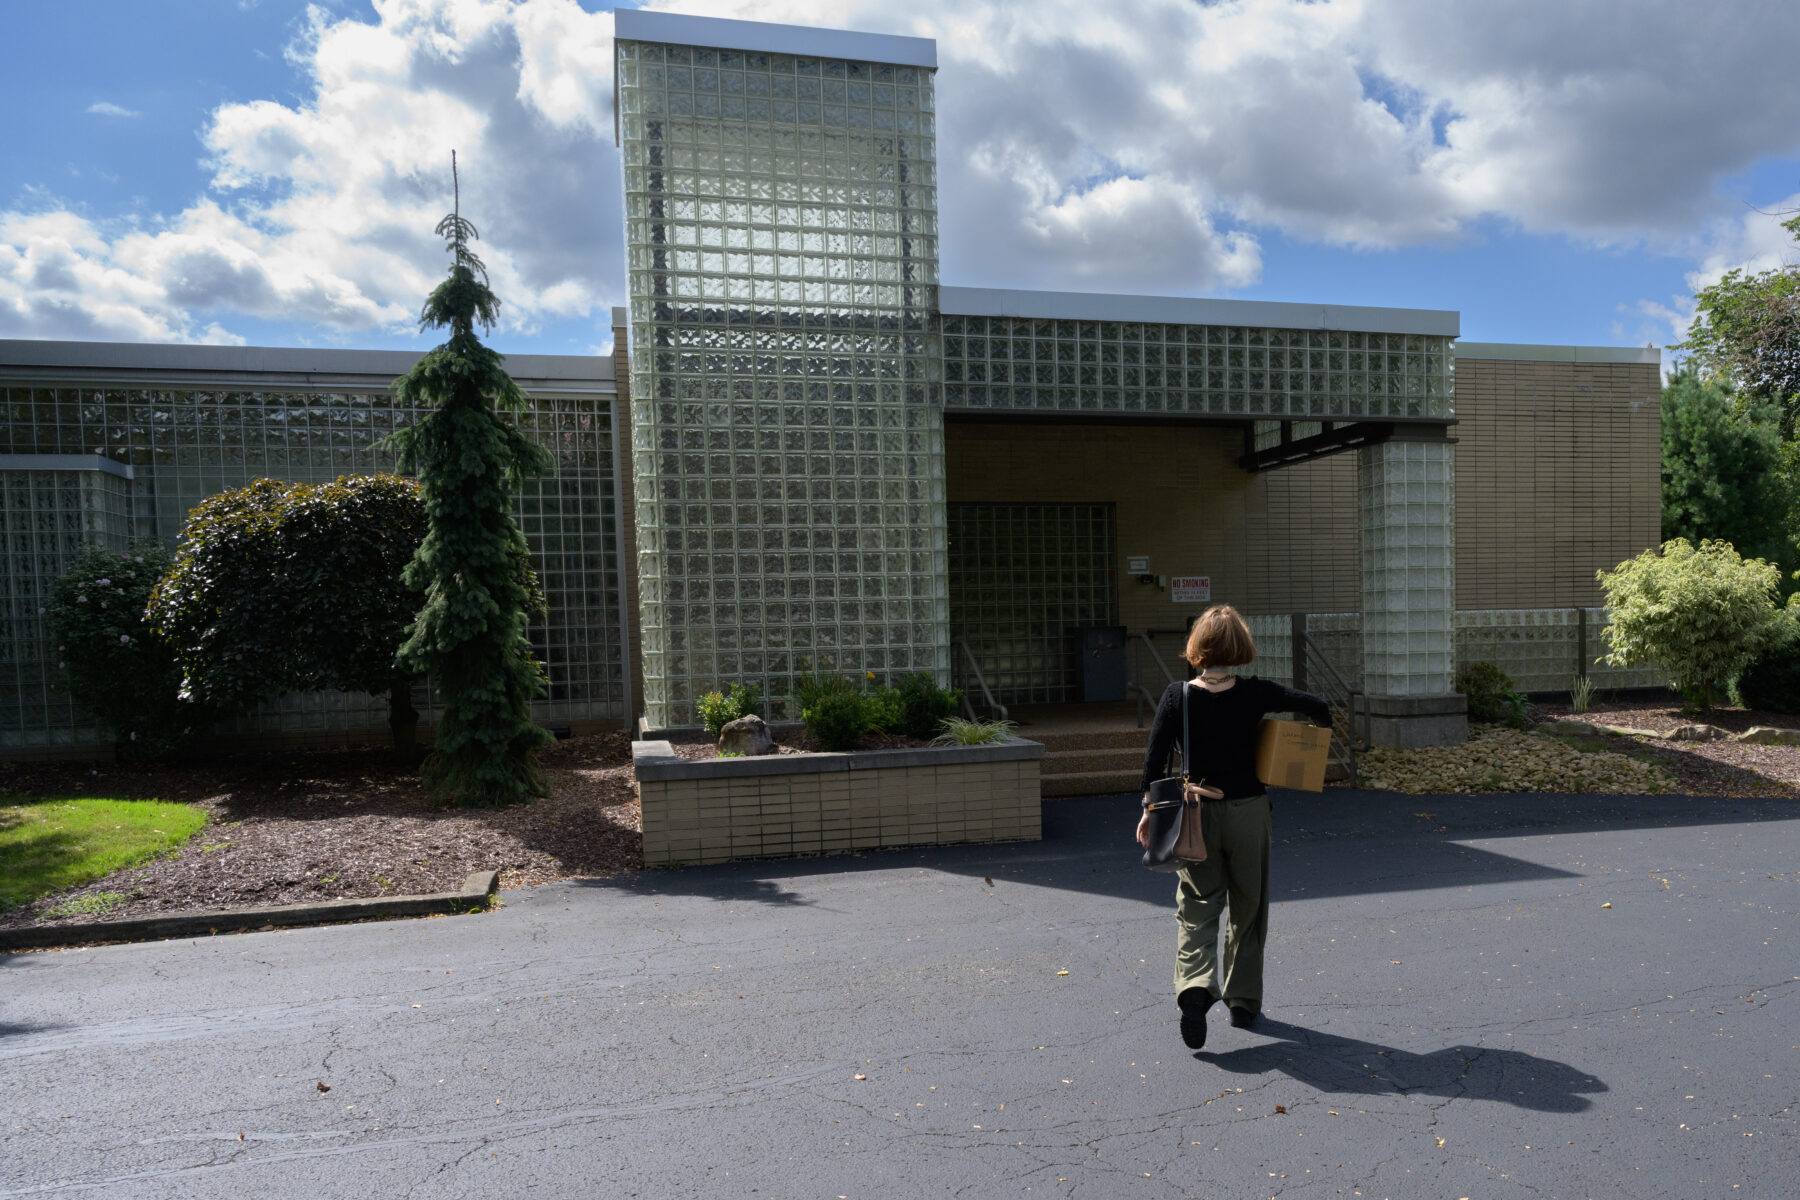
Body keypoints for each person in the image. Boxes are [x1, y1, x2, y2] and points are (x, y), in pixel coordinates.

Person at [1135, 604, 1330, 1050]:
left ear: (1197, 648)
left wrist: (1148, 810)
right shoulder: (1255, 693)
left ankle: (1195, 990)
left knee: (1197, 905)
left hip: (1193, 814)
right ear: (1240, 647)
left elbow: (1153, 763)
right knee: (1249, 905)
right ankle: (1242, 1002)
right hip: (1248, 811)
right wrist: (1306, 744)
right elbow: (1316, 706)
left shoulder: (1176, 696)